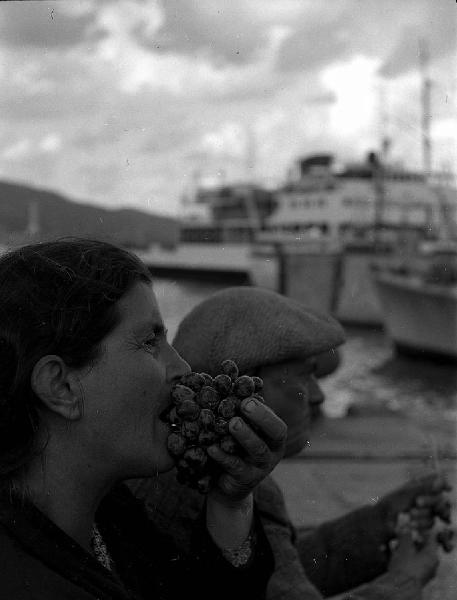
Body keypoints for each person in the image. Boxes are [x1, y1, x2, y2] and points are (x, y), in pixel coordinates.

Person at [0, 239, 289, 600]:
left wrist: (229, 503)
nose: (182, 368)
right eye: (150, 342)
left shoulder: (109, 513)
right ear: (61, 387)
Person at [130, 286, 452, 600]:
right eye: (304, 376)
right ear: (242, 387)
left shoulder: (190, 468)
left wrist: (384, 520)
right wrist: (406, 579)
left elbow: (279, 570)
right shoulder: (210, 490)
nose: (318, 395)